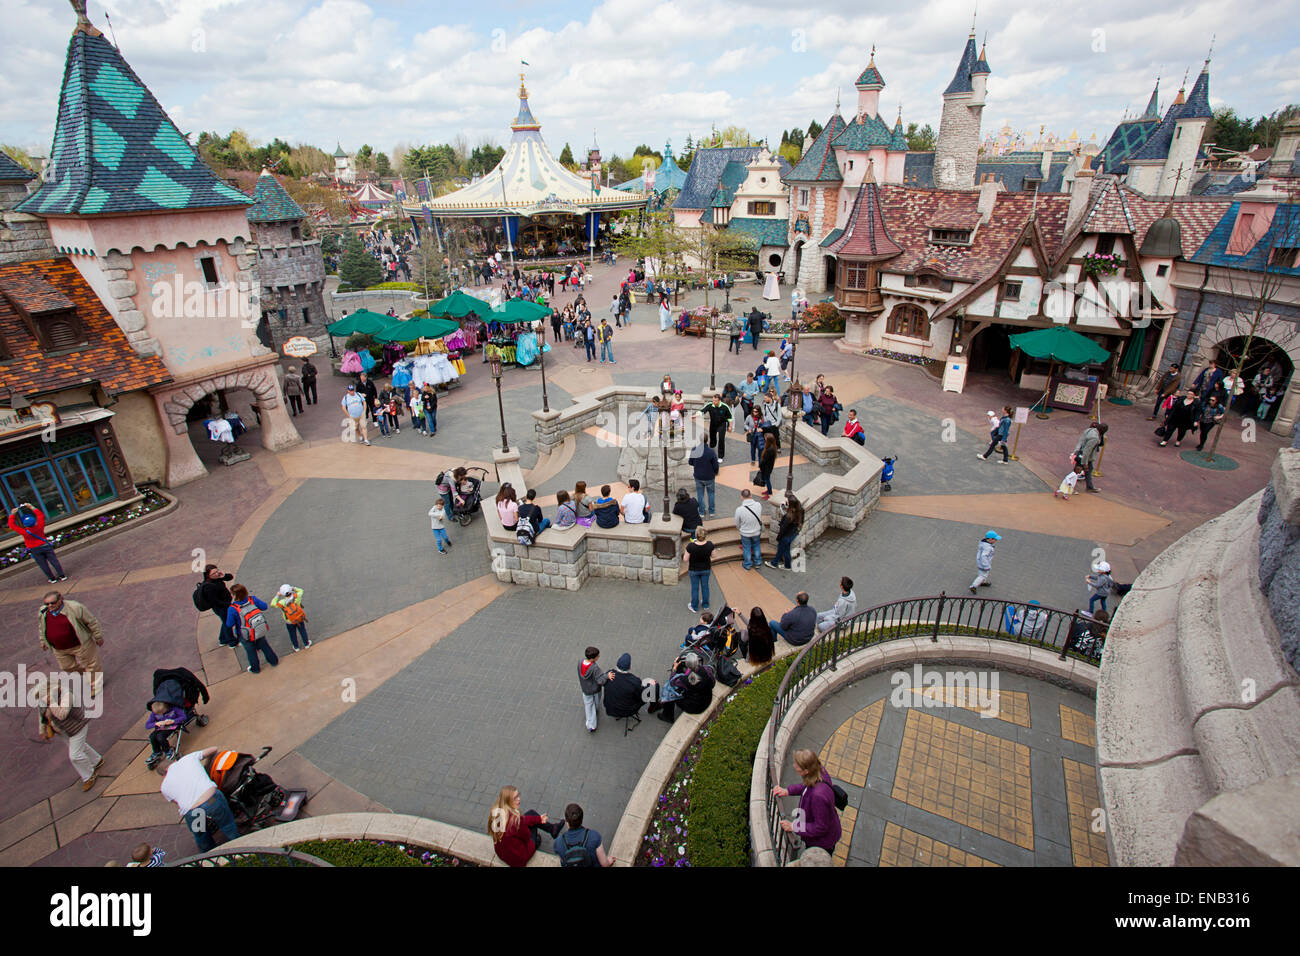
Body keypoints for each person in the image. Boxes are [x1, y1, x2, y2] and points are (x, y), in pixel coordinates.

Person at [159, 748, 241, 853]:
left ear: (163, 774)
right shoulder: (188, 758)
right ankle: (239, 847)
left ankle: (208, 856)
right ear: (174, 761)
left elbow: (177, 803)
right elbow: (213, 749)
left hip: (193, 810)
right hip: (211, 799)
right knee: (227, 824)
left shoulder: (164, 787)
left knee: (201, 835)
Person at [35, 679, 102, 792]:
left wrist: (51, 702)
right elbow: (41, 713)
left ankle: (89, 775)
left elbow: (62, 715)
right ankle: (96, 760)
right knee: (79, 746)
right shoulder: (44, 698)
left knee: (75, 755)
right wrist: (42, 730)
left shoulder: (67, 695)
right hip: (62, 730)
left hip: (77, 726)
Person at [772, 749, 842, 854]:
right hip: (824, 835)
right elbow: (807, 785)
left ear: (806, 771)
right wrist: (788, 791)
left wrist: (794, 827)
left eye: (797, 765)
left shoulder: (818, 797)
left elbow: (820, 827)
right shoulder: (819, 771)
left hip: (822, 843)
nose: (794, 766)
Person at [38, 592, 104, 697]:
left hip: (81, 645)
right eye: (47, 604)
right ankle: (90, 673)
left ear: (61, 599)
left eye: (52, 603)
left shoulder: (75, 607)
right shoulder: (43, 611)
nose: (50, 606)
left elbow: (91, 622)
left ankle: (96, 684)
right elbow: (42, 627)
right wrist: (43, 641)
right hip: (59, 648)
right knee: (67, 667)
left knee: (91, 664)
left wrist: (98, 636)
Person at [488, 785, 563, 867]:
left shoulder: (496, 813)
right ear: (508, 801)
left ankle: (552, 829)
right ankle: (549, 832)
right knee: (534, 827)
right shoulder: (515, 821)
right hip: (518, 858)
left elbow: (520, 822)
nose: (519, 799)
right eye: (515, 798)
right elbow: (526, 836)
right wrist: (536, 821)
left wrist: (538, 819)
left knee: (532, 815)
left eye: (518, 795)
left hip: (501, 852)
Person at [225, 584, 280, 674]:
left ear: (234, 595)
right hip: (257, 629)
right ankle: (273, 661)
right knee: (265, 646)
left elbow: (229, 624)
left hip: (244, 634)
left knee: (251, 652)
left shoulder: (232, 608)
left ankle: (255, 668)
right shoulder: (252, 599)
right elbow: (264, 606)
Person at [8, 504, 67, 583]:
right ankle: (62, 575)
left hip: (34, 549)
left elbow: (12, 525)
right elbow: (40, 515)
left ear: (25, 524)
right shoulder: (40, 526)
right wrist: (31, 507)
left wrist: (12, 514)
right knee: (54, 561)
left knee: (43, 564)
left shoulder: (24, 532)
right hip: (45, 545)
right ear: (35, 521)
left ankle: (52, 579)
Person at [656, 651, 715, 723]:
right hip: (706, 699)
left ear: (687, 664)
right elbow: (712, 683)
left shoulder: (684, 680)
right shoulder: (706, 670)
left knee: (669, 690)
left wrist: (674, 668)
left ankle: (667, 715)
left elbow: (672, 681)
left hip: (694, 706)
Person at [604, 653, 656, 724]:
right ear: (629, 667)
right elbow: (640, 696)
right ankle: (653, 706)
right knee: (654, 686)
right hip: (627, 710)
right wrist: (650, 685)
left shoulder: (608, 674)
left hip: (610, 708)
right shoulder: (634, 681)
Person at [578, 646, 615, 732]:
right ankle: (592, 724)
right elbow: (600, 680)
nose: (599, 657)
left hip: (585, 688)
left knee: (588, 705)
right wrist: (607, 676)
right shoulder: (594, 668)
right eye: (597, 656)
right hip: (594, 689)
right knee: (594, 703)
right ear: (592, 659)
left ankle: (591, 723)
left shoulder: (580, 662)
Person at [270, 583, 312, 651]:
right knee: (302, 631)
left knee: (292, 634)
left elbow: (272, 604)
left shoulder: (281, 602)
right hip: (299, 618)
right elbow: (301, 590)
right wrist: (294, 588)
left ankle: (296, 647)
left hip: (289, 621)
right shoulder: (296, 596)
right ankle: (306, 644)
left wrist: (277, 595)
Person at [683, 525, 715, 613]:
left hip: (694, 570)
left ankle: (694, 606)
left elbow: (685, 559)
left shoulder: (690, 546)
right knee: (705, 587)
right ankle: (705, 605)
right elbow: (714, 555)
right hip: (706, 569)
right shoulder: (710, 545)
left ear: (696, 535)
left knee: (695, 588)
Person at [767, 494, 803, 570]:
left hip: (785, 536)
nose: (786, 502)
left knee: (780, 551)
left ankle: (774, 563)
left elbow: (783, 529)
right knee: (786, 550)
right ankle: (787, 566)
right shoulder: (800, 510)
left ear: (790, 504)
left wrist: (779, 538)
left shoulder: (788, 516)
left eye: (787, 502)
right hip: (793, 533)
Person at [145, 698, 185, 766]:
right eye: (158, 714)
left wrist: (174, 721)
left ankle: (168, 751)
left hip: (172, 726)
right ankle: (157, 752)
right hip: (161, 727)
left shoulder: (174, 709)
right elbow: (147, 725)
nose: (161, 714)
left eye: (162, 712)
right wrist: (156, 723)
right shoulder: (154, 713)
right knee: (152, 737)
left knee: (160, 737)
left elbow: (183, 717)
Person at [735, 488, 765, 570]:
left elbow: (737, 523)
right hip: (756, 531)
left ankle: (747, 564)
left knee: (746, 548)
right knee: (756, 546)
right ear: (751, 495)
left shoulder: (739, 510)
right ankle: (758, 562)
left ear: (742, 497)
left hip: (745, 533)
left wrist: (740, 528)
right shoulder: (758, 505)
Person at [690, 436, 720, 516]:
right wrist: (716, 472)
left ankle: (701, 512)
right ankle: (712, 511)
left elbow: (690, 462)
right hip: (709, 476)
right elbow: (716, 465)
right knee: (711, 493)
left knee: (700, 494)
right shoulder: (711, 451)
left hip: (698, 476)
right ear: (707, 440)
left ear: (699, 440)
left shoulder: (694, 450)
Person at [1071, 421, 1102, 492]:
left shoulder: (1088, 431)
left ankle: (1089, 487)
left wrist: (1076, 450)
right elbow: (1086, 451)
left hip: (1083, 455)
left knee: (1088, 471)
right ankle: (1069, 486)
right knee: (1076, 471)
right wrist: (1085, 463)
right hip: (1084, 458)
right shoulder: (1094, 438)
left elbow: (1081, 441)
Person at [703, 393, 732, 461]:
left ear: (719, 400)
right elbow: (702, 410)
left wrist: (730, 426)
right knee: (712, 438)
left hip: (722, 424)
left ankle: (720, 456)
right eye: (713, 400)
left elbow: (730, 417)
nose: (714, 402)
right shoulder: (710, 405)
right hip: (713, 424)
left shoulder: (725, 407)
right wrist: (695, 415)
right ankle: (712, 446)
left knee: (721, 439)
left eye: (716, 401)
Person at [757, 431, 778, 499]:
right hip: (768, 467)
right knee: (767, 479)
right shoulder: (772, 447)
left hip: (767, 468)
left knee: (767, 480)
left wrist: (760, 465)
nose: (765, 439)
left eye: (765, 438)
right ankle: (768, 491)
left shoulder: (770, 450)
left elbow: (765, 460)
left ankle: (769, 493)